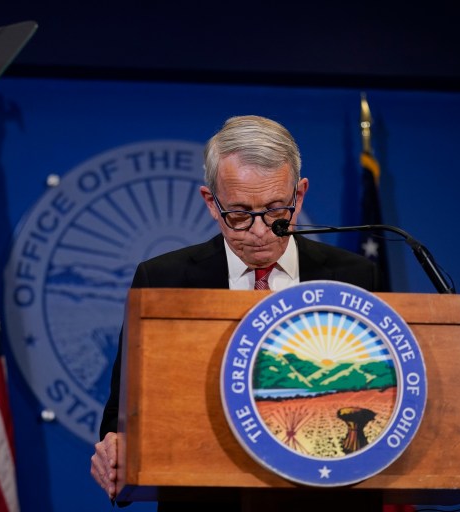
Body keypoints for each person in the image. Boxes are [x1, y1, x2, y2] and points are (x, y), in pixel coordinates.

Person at [90, 115, 382, 510]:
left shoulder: (355, 278)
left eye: (276, 210)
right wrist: (115, 445)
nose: (260, 232)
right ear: (211, 203)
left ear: (300, 195)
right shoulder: (163, 281)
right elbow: (123, 411)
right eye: (240, 214)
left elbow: (379, 398)